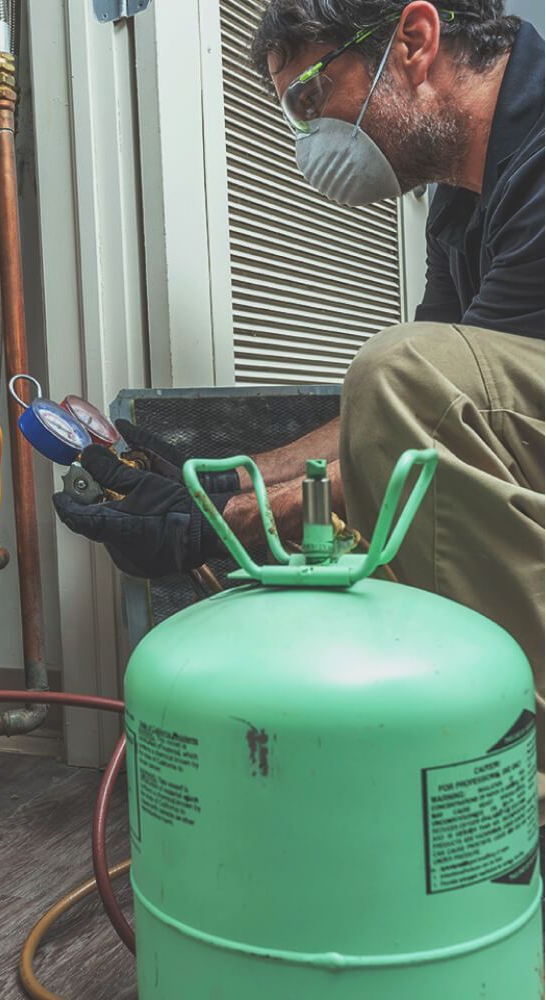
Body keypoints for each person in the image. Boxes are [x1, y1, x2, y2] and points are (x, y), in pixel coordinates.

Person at [52, 2, 544, 721]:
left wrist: (232, 523)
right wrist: (223, 484)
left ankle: (512, 759)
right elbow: (415, 422)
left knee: (401, 368)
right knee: (401, 377)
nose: (310, 138)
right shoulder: (456, 209)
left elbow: (427, 409)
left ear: (412, 39)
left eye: (311, 97)